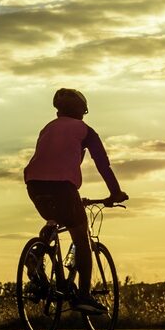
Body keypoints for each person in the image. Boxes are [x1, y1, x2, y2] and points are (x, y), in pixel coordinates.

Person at [23, 88, 127, 315]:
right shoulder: (85, 130)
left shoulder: (47, 128)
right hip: (63, 187)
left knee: (53, 218)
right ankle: (84, 296)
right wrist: (115, 192)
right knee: (82, 240)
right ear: (82, 109)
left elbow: (48, 159)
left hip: (34, 185)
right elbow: (103, 164)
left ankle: (37, 254)